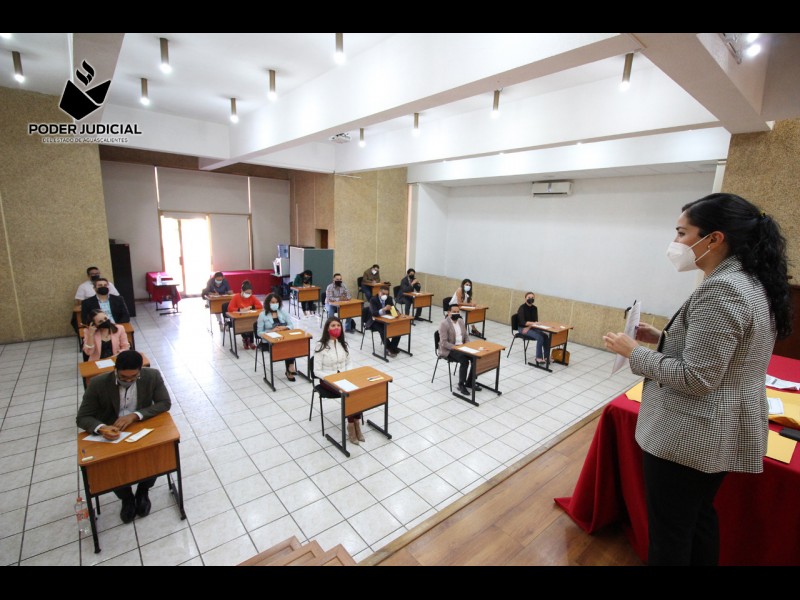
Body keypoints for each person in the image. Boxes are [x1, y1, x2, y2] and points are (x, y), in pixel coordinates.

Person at [603, 193, 792, 567]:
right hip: (718, 430)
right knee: (698, 518)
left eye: (681, 232)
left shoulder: (723, 288)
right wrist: (662, 337)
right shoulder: (750, 281)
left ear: (714, 238)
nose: (675, 243)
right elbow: (726, 353)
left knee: (670, 535)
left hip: (690, 435)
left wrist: (634, 352)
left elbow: (697, 377)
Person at [76, 350, 171, 524]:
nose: (128, 381)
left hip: (141, 427)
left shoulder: (152, 376)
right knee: (112, 466)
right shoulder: (98, 383)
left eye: (133, 377)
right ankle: (126, 497)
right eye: (123, 377)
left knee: (154, 455)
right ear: (115, 370)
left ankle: (143, 490)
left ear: (140, 370)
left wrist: (135, 415)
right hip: (112, 432)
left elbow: (164, 403)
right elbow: (82, 417)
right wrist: (102, 428)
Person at [314, 317, 364, 444]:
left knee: (358, 390)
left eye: (338, 325)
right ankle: (351, 426)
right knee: (349, 393)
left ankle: (357, 424)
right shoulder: (320, 346)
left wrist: (348, 374)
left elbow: (349, 362)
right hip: (327, 380)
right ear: (327, 328)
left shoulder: (343, 344)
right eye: (333, 325)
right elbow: (316, 371)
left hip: (344, 377)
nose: (336, 328)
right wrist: (332, 378)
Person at [438, 304, 480, 396]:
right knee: (464, 360)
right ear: (449, 313)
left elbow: (466, 336)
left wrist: (467, 345)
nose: (456, 313)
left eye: (458, 312)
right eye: (454, 312)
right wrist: (456, 348)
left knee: (476, 358)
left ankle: (469, 382)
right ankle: (461, 385)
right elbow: (444, 343)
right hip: (450, 349)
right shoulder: (443, 324)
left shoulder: (461, 321)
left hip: (462, 347)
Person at [257, 292, 299, 381]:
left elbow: (291, 325)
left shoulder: (283, 312)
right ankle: (290, 369)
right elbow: (259, 332)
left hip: (284, 338)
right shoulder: (262, 315)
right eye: (272, 302)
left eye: (276, 302)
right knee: (287, 348)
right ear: (268, 303)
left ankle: (290, 367)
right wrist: (271, 331)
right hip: (269, 341)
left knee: (292, 345)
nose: (275, 304)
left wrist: (285, 327)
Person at [366, 285, 401, 357]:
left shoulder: (389, 298)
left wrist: (397, 312)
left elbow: (393, 308)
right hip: (375, 321)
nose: (385, 295)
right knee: (383, 330)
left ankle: (392, 348)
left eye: (386, 294)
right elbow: (374, 313)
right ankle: (389, 348)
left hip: (386, 319)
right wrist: (384, 309)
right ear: (379, 292)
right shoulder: (373, 299)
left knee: (398, 329)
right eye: (383, 293)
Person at [227, 280, 263, 350]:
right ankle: (245, 339)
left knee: (252, 322)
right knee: (243, 323)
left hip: (249, 316)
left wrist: (251, 307)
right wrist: (240, 310)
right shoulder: (236, 297)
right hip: (239, 317)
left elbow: (260, 306)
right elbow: (230, 308)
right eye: (246, 293)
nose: (248, 294)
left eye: (250, 293)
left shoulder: (251, 297)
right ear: (242, 291)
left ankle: (251, 341)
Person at [516, 292, 550, 365]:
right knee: (540, 337)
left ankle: (546, 357)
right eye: (529, 297)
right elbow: (523, 322)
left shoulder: (535, 308)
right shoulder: (522, 308)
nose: (530, 299)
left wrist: (529, 327)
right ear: (525, 298)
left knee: (545, 336)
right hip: (522, 328)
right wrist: (531, 325)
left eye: (532, 298)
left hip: (531, 327)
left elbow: (535, 321)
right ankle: (538, 358)